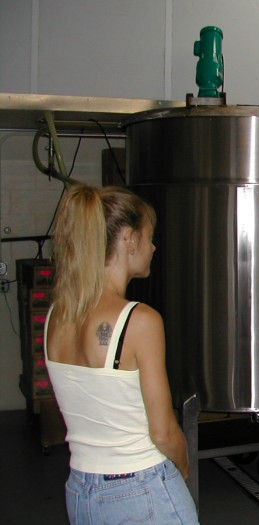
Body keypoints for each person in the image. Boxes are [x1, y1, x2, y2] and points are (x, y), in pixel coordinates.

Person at [44, 184, 199, 525]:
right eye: (149, 236)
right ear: (130, 240)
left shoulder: (57, 315)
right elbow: (163, 432)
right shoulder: (140, 320)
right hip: (141, 488)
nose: (154, 247)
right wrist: (184, 465)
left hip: (81, 491)